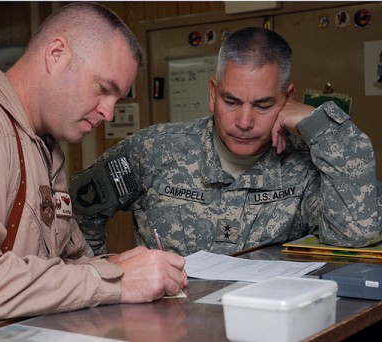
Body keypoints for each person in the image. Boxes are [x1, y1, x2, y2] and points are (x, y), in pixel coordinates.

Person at [0, 2, 187, 340]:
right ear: (56, 54)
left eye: (118, 98)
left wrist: (126, 266)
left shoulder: (43, 146)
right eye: (103, 89)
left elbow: (66, 263)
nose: (109, 113)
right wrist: (113, 280)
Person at [71, 26, 382, 257]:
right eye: (231, 101)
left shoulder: (304, 168)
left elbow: (355, 233)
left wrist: (322, 125)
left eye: (263, 105)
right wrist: (103, 282)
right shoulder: (153, 151)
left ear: (288, 99)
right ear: (212, 93)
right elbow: (78, 207)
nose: (244, 122)